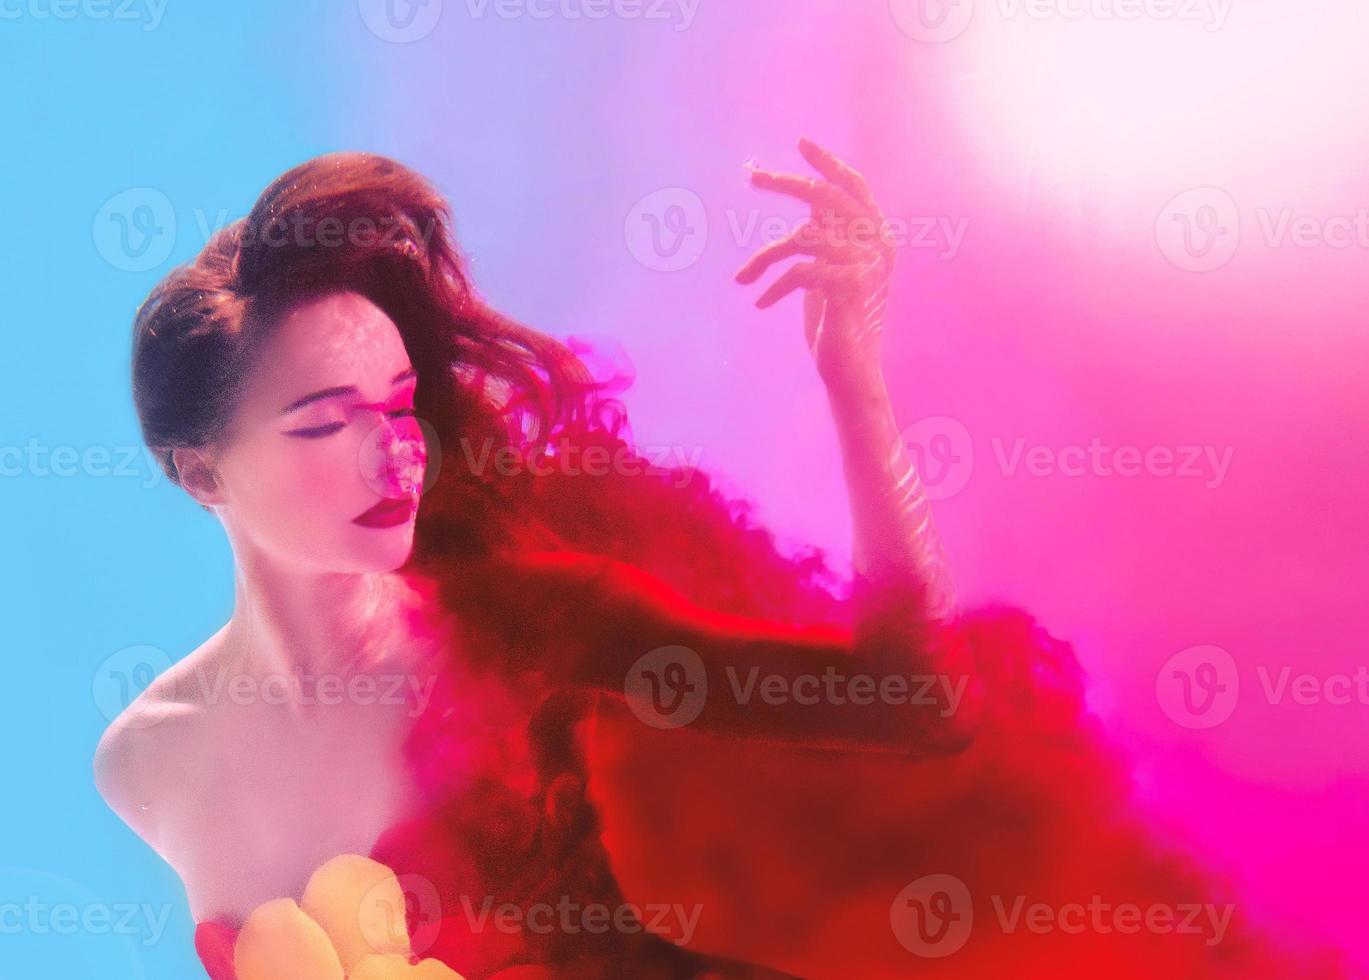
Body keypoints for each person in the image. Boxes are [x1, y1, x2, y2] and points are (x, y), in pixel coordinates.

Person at [94, 146, 1342, 978]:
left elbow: (912, 699)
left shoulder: (515, 621)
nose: (395, 452)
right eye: (324, 421)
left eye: (401, 403)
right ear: (199, 471)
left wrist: (851, 373)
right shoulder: (143, 762)